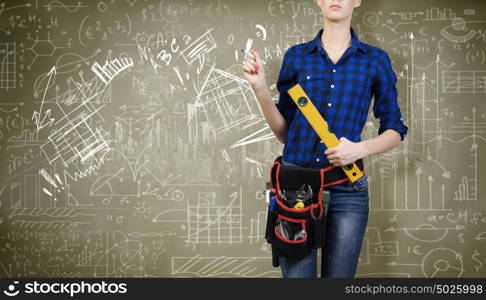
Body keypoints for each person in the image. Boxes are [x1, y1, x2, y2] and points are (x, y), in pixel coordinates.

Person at [243, 0, 408, 278]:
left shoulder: (375, 60)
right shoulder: (297, 57)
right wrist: (259, 88)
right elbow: (284, 132)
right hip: (294, 187)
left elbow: (395, 130)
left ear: (356, 1)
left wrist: (358, 149)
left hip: (347, 190)